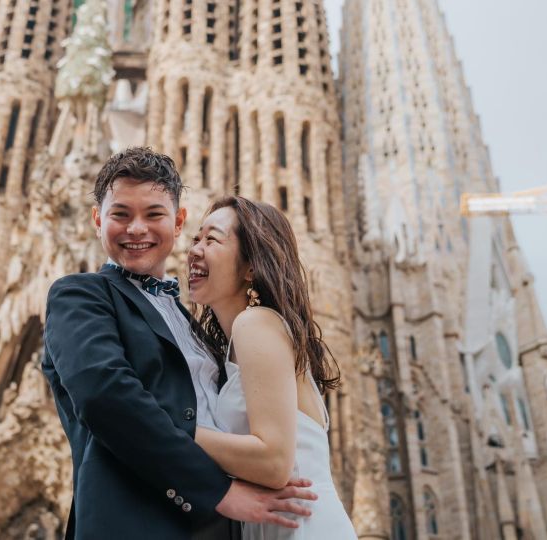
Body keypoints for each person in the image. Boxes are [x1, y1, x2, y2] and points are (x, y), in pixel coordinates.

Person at [41, 147, 317, 540]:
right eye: (121, 214)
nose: (137, 229)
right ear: (98, 220)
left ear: (178, 223)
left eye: (154, 214)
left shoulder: (199, 326)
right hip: (138, 523)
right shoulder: (80, 296)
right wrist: (218, 492)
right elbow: (105, 395)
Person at [187, 195, 358, 539]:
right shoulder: (249, 335)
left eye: (212, 239)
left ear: (251, 267)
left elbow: (274, 461)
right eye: (195, 238)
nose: (193, 250)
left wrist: (176, 431)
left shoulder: (256, 324)